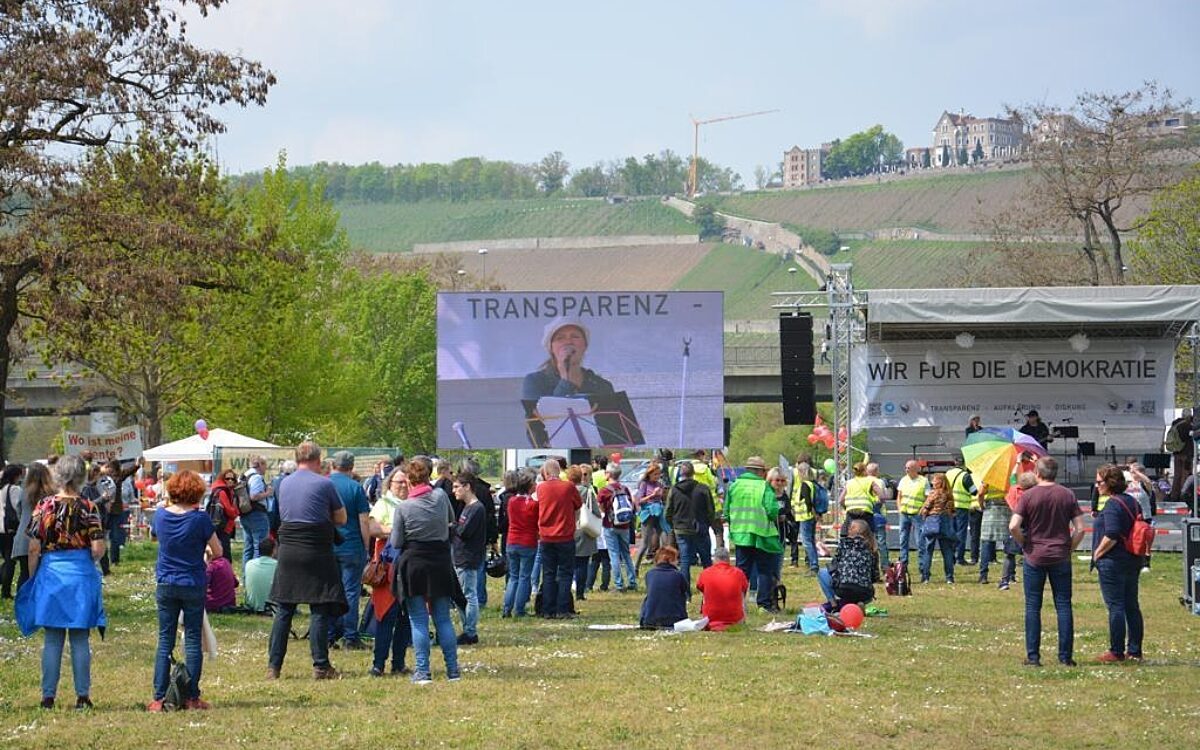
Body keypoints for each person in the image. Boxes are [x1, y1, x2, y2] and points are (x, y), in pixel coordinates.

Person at [17, 455, 106, 710]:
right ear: (81, 477)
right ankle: (82, 696)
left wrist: (34, 578)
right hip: (80, 577)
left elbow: (33, 548)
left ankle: (48, 697)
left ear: (58, 475)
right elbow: (98, 549)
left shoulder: (44, 506)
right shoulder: (89, 506)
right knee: (80, 639)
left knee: (53, 639)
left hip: (51, 574)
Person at [267, 442, 348, 681]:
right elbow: (341, 518)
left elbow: (280, 515)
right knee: (320, 606)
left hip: (289, 550)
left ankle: (274, 667)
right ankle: (321, 666)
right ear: (318, 459)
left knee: (284, 608)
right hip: (316, 549)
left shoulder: (282, 483)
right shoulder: (325, 483)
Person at [148, 469, 222, 711]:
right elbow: (218, 551)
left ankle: (159, 697)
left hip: (166, 582)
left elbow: (156, 538)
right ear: (197, 493)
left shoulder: (160, 516)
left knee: (165, 639)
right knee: (192, 639)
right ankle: (191, 696)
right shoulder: (200, 520)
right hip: (192, 582)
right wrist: (205, 553)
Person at [389, 456, 462, 684]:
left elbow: (397, 541)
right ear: (429, 475)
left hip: (415, 564)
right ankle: (453, 671)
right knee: (443, 618)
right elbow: (451, 520)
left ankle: (422, 672)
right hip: (440, 561)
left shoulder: (404, 507)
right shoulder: (440, 496)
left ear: (410, 480)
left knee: (418, 619)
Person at [1009, 456, 1085, 667]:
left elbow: (1013, 526)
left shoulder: (1028, 496)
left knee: (1033, 606)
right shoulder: (1067, 494)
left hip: (1035, 555)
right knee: (1063, 605)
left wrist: (1024, 544)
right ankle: (1065, 657)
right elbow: (1080, 529)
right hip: (1060, 554)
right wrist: (1070, 547)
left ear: (1037, 473)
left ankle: (1033, 656)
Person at [1091, 464, 1145, 663]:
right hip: (1133, 559)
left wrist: (1097, 553)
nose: (1097, 486)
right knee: (1132, 604)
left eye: (1099, 482)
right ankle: (1135, 650)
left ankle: (1116, 651)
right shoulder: (1131, 501)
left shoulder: (1112, 504)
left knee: (1116, 606)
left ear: (1110, 482)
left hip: (1114, 561)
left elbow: (1112, 533)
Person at [365, 469, 411, 678]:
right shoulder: (384, 504)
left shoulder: (414, 503)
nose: (403, 485)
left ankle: (399, 662)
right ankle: (378, 663)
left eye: (406, 482)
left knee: (406, 616)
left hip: (409, 566)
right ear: (390, 483)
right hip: (388, 568)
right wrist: (398, 531)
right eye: (399, 482)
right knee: (385, 615)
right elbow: (374, 529)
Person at [725, 456, 783, 613]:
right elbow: (772, 510)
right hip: (761, 534)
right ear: (760, 472)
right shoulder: (764, 487)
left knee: (742, 570)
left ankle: (737, 603)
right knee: (764, 569)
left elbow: (726, 511)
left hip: (740, 533)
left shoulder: (734, 485)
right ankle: (763, 605)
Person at [328, 451, 371, 650]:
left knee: (330, 591)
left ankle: (328, 633)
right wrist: (366, 546)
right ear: (352, 467)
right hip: (351, 545)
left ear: (332, 465)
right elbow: (363, 520)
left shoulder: (324, 484)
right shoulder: (355, 488)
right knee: (351, 592)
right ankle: (350, 636)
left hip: (328, 545)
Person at [521, 318, 616, 401]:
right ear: (551, 348)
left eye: (575, 336)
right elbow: (543, 419)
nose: (568, 342)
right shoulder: (535, 382)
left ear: (585, 345)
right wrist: (565, 380)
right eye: (560, 338)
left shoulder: (602, 386)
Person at [535, 459, 582, 618]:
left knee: (548, 573)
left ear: (545, 473)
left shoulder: (540, 488)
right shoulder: (568, 487)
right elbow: (578, 504)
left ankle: (547, 610)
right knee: (565, 573)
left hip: (546, 536)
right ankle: (563, 609)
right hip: (565, 535)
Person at [665, 460, 717, 591]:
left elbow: (668, 511)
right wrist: (709, 524)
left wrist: (674, 524)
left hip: (681, 529)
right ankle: (710, 589)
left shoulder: (674, 490)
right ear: (693, 473)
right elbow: (711, 510)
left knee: (685, 561)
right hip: (700, 528)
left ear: (681, 474)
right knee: (706, 561)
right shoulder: (703, 489)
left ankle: (686, 593)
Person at [450, 474, 486, 646]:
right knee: (462, 594)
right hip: (460, 555)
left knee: (468, 594)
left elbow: (465, 532)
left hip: (468, 557)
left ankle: (470, 631)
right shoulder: (466, 507)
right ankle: (467, 628)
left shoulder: (476, 508)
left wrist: (453, 526)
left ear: (468, 487)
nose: (454, 490)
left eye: (457, 487)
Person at [818, 519, 879, 609]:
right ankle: (859, 602)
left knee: (822, 573)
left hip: (843, 588)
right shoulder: (872, 549)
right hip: (865, 592)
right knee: (861, 586)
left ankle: (833, 603)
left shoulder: (844, 544)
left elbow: (834, 565)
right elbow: (875, 576)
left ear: (850, 530)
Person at [502, 468, 538, 617]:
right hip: (527, 541)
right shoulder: (533, 504)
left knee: (513, 577)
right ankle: (519, 609)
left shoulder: (511, 501)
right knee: (524, 577)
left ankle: (506, 608)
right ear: (530, 486)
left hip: (512, 540)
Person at [598, 463, 637, 593]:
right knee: (626, 554)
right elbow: (631, 504)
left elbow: (601, 508)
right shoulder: (624, 488)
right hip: (625, 524)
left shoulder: (604, 490)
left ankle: (619, 584)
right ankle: (632, 581)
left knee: (614, 554)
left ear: (608, 474)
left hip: (610, 525)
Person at [695, 546, 749, 631]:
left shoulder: (705, 573)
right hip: (736, 620)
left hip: (709, 621)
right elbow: (744, 590)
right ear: (728, 559)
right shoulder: (739, 573)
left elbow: (700, 587)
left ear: (714, 559)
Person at [917, 473, 956, 584]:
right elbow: (952, 510)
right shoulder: (949, 494)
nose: (932, 482)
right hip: (945, 523)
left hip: (932, 522)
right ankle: (949, 577)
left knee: (928, 550)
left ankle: (925, 577)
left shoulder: (933, 493)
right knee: (947, 551)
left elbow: (926, 507)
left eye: (934, 480)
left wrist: (923, 516)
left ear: (939, 482)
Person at [571, 465, 601, 603]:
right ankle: (580, 593)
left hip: (569, 528)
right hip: (584, 528)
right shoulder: (588, 492)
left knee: (569, 563)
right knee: (582, 563)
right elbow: (596, 511)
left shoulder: (567, 491)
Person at [639, 546, 689, 629]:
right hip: (674, 620)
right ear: (671, 560)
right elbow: (685, 590)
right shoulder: (678, 575)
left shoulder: (650, 574)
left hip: (650, 620)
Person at [240, 455, 273, 577]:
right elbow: (254, 496)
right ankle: (257, 576)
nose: (266, 468)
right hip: (257, 515)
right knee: (259, 546)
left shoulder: (244, 475)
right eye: (265, 465)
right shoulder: (256, 477)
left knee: (248, 547)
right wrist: (267, 493)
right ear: (260, 465)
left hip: (245, 515)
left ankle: (246, 577)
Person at [976, 474, 1012, 585]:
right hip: (1006, 508)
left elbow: (981, 493)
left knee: (986, 541)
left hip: (991, 509)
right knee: (1008, 543)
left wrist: (981, 506)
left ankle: (983, 575)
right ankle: (1010, 575)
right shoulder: (1010, 475)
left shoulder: (989, 475)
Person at [2, 463, 30, 598]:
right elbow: (18, 508)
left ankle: (6, 590)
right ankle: (6, 591)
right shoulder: (15, 489)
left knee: (8, 559)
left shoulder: (2, 489)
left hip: (2, 528)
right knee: (10, 561)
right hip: (11, 529)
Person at [895, 460, 929, 571]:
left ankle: (922, 567)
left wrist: (923, 509)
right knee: (903, 540)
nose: (906, 469)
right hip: (904, 514)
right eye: (906, 467)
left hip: (917, 515)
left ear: (915, 469)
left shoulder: (923, 481)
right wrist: (899, 508)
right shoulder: (903, 480)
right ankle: (903, 566)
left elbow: (928, 497)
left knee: (920, 541)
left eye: (908, 467)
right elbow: (899, 496)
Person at [944, 456, 978, 566]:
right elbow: (973, 491)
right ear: (964, 464)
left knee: (950, 532)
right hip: (961, 507)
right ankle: (960, 558)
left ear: (954, 463)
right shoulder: (965, 475)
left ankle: (950, 557)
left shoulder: (947, 473)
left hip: (949, 506)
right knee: (960, 533)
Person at [634, 462, 667, 572]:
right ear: (649, 474)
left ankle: (663, 567)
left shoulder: (659, 483)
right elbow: (639, 501)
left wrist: (662, 493)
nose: (657, 477)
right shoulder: (644, 484)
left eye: (658, 474)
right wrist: (652, 495)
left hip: (658, 513)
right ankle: (635, 568)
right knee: (645, 543)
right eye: (655, 474)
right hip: (648, 515)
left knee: (664, 540)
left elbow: (663, 498)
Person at [789, 462, 819, 575]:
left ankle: (814, 566)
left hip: (805, 517)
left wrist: (810, 511)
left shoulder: (805, 485)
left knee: (807, 542)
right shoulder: (812, 484)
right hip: (810, 517)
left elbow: (807, 501)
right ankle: (814, 564)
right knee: (811, 541)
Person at [208, 469, 240, 561]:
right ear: (223, 479)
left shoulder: (226, 491)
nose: (230, 480)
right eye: (227, 478)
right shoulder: (222, 492)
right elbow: (230, 511)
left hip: (220, 525)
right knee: (225, 555)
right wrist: (236, 511)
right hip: (223, 527)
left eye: (232, 479)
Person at [243, 537, 278, 613]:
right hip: (273, 607)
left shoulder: (249, 564)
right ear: (274, 550)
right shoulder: (278, 565)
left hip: (252, 607)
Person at [1167, 409, 1194, 503]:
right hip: (1187, 454)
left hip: (1177, 453)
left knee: (1177, 475)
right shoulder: (1188, 425)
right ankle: (1184, 495)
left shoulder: (1175, 423)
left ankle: (1174, 496)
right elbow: (1190, 437)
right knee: (1185, 475)